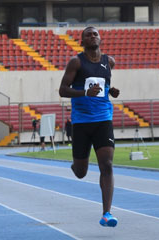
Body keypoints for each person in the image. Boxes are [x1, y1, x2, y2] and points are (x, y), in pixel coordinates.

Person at [59, 26, 120, 227]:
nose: (92, 36)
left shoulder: (109, 61)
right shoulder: (76, 62)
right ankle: (76, 165)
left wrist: (111, 91)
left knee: (107, 165)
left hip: (103, 119)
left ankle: (107, 214)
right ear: (82, 41)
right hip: (82, 122)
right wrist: (85, 94)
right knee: (81, 172)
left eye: (95, 33)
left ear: (100, 39)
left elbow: (102, 84)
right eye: (88, 34)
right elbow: (63, 90)